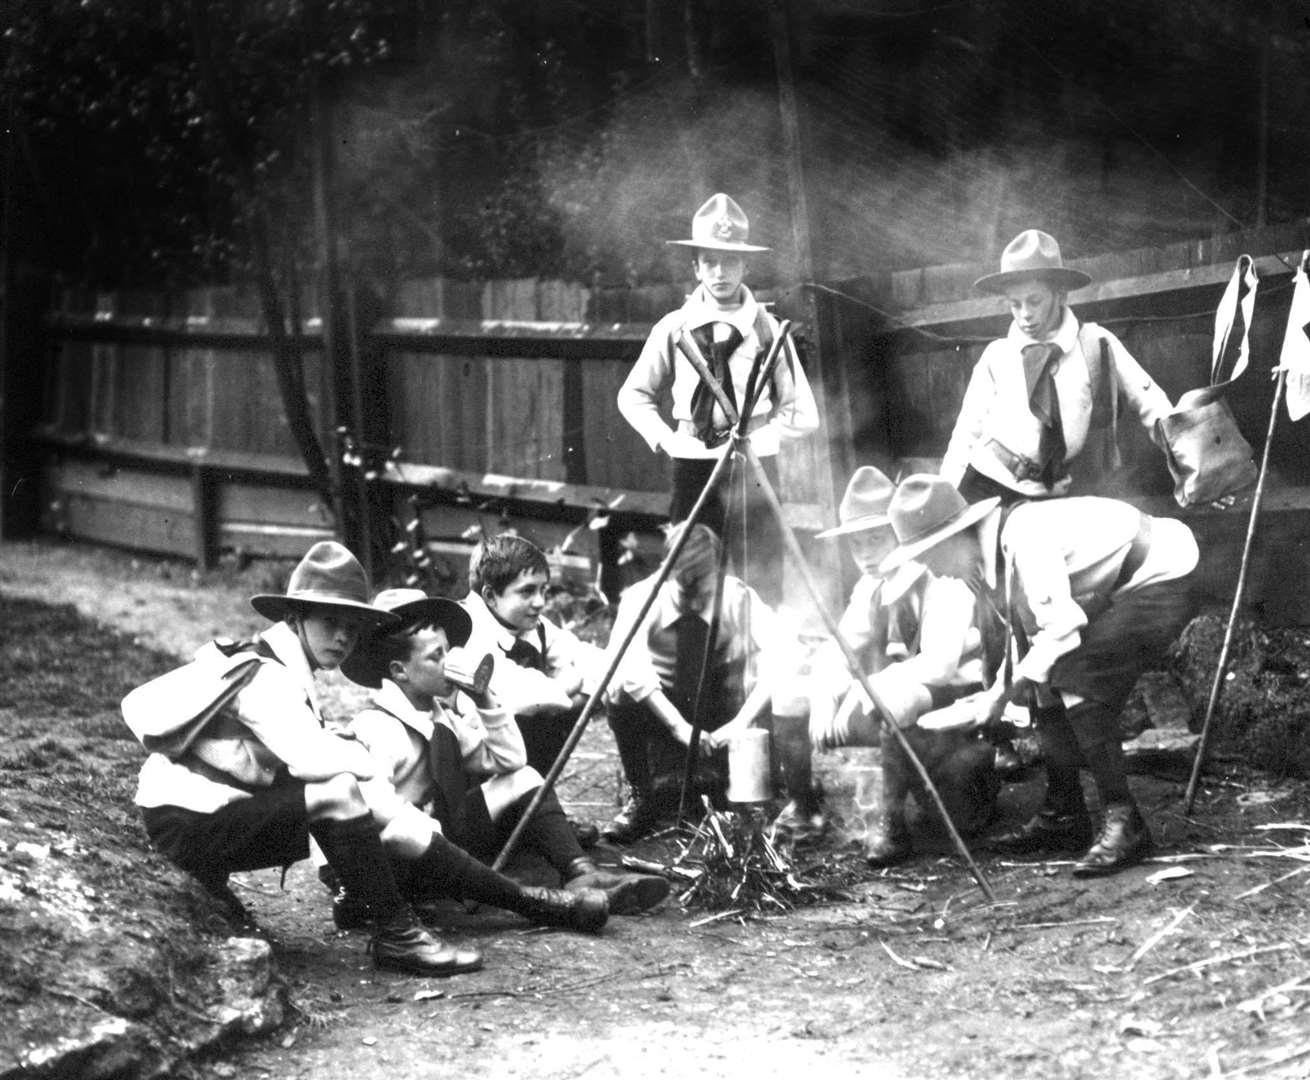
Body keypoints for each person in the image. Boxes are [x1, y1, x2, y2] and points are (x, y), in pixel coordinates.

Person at [132, 541, 485, 978]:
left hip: (199, 816)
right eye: (331, 621)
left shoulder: (284, 662)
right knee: (338, 793)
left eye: (353, 627)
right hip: (183, 826)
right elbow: (308, 761)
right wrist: (366, 759)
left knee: (347, 790)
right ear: (296, 617)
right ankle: (397, 934)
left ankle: (391, 909)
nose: (343, 637)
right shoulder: (267, 675)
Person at [877, 474, 1199, 877]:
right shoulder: (995, 557)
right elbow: (1029, 642)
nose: (934, 570)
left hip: (1163, 574)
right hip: (1119, 585)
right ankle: (1064, 812)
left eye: (930, 556)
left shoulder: (1024, 539)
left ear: (955, 537)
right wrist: (998, 692)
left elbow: (1061, 632)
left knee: (1076, 674)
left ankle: (1125, 820)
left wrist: (999, 698)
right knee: (1044, 679)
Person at [338, 588, 669, 919]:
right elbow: (374, 816)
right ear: (399, 671)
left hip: (442, 831)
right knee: (408, 831)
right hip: (402, 856)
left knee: (523, 778)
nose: (448, 664)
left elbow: (510, 761)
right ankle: (517, 896)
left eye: (449, 652)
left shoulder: (439, 714)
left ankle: (582, 872)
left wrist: (485, 701)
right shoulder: (378, 726)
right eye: (436, 658)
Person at [616, 192, 819, 605]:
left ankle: (752, 669)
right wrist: (669, 439)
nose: (720, 272)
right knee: (689, 583)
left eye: (730, 261)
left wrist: (760, 441)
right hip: (692, 468)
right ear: (695, 267)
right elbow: (632, 395)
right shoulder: (674, 328)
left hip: (755, 471)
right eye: (709, 260)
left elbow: (803, 414)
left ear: (746, 265)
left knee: (757, 585)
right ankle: (693, 668)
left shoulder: (768, 329)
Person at [808, 469, 1004, 866]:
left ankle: (893, 825)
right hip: (905, 702)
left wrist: (866, 689)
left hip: (957, 703)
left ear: (901, 533)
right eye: (855, 544)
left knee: (959, 820)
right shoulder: (871, 586)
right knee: (797, 689)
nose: (864, 554)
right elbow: (839, 647)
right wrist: (824, 695)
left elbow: (938, 666)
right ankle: (806, 809)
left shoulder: (943, 577)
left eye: (876, 539)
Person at [600, 521, 812, 844]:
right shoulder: (642, 598)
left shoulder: (737, 596)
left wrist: (742, 720)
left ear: (716, 571)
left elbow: (787, 651)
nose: (697, 600)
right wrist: (677, 727)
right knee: (617, 689)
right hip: (663, 708)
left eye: (704, 587)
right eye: (686, 590)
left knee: (770, 672)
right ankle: (641, 796)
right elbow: (631, 670)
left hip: (720, 705)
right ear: (668, 572)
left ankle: (752, 787)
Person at [941, 229, 1174, 506]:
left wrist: (1203, 471)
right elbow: (966, 434)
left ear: (1061, 295)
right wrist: (944, 501)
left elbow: (1154, 407)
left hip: (1054, 493)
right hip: (986, 484)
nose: (1025, 314)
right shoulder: (997, 356)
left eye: (1035, 301)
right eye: (1015, 304)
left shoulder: (1096, 344)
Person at [460, 533, 606, 846]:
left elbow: (594, 661)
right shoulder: (468, 631)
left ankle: (535, 811)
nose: (540, 601)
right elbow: (525, 695)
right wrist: (565, 686)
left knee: (566, 708)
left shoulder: (531, 625)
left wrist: (562, 690)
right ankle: (520, 818)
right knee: (552, 709)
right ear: (490, 595)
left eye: (543, 590)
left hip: (513, 753)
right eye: (527, 591)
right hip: (471, 775)